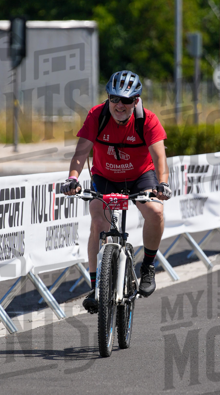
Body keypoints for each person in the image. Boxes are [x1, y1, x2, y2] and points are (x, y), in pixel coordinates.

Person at [62, 70, 171, 313]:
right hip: (105, 176)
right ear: (108, 98)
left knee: (155, 211)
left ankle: (148, 267)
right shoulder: (97, 115)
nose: (119, 105)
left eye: (126, 100)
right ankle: (95, 287)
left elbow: (159, 156)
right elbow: (81, 154)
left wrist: (162, 184)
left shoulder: (148, 120)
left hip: (140, 176)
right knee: (97, 221)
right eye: (114, 98)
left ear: (136, 100)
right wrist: (72, 178)